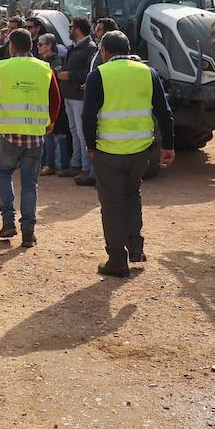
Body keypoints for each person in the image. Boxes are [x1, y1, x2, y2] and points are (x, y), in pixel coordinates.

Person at [82, 30, 175, 277]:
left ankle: (117, 258)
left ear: (104, 52)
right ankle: (135, 248)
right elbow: (164, 113)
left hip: (108, 150)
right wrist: (169, 146)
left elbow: (88, 116)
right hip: (140, 151)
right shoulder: (148, 73)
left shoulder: (97, 75)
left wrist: (90, 146)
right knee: (132, 195)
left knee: (111, 204)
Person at [0, 28, 61, 247]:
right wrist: (50, 122)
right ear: (31, 46)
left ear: (12, 46)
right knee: (30, 183)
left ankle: (8, 221)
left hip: (9, 133)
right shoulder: (45, 68)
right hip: (35, 134)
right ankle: (28, 232)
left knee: (3, 173)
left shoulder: (2, 67)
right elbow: (55, 99)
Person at [58, 15, 98, 184]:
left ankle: (86, 168)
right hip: (69, 95)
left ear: (78, 29)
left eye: (71, 26)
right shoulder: (74, 47)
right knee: (74, 131)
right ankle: (76, 163)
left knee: (82, 134)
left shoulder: (89, 48)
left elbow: (91, 72)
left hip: (79, 97)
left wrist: (70, 75)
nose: (69, 29)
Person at [36, 33, 68, 175]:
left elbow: (57, 83)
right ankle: (44, 162)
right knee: (44, 133)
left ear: (49, 45)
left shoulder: (56, 61)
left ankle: (50, 164)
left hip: (52, 102)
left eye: (41, 44)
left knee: (50, 132)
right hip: (42, 100)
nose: (38, 47)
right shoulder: (41, 61)